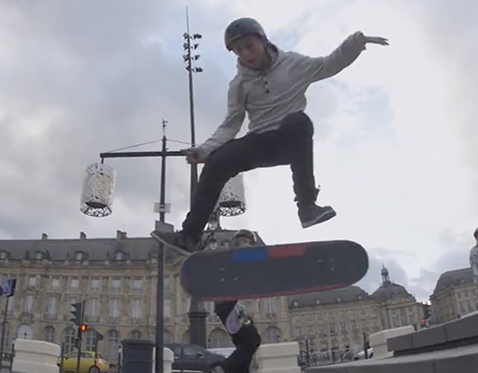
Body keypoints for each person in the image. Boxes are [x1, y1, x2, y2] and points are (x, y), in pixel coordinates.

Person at [153, 17, 389, 254]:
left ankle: (307, 207)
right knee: (218, 161)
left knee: (299, 121)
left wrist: (357, 43)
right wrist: (205, 150)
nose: (246, 54)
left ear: (263, 41)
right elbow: (230, 125)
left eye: (249, 46)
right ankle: (189, 236)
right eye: (238, 51)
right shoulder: (239, 85)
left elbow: (329, 64)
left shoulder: (294, 64)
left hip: (290, 139)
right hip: (260, 142)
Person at [204, 229, 262, 373]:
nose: (245, 244)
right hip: (230, 304)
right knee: (252, 341)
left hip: (233, 305)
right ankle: (220, 371)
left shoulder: (239, 261)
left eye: (248, 241)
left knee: (246, 345)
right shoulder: (233, 255)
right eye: (243, 241)